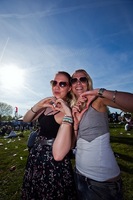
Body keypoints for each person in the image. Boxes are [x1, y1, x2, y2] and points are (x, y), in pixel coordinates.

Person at [70, 69, 133, 200]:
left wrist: (100, 91)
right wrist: (75, 126)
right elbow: (72, 145)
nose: (78, 83)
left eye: (83, 79)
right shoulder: (74, 109)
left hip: (100, 183)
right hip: (79, 174)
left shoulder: (98, 100)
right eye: (74, 80)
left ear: (88, 82)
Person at [21, 71, 77, 200]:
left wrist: (68, 115)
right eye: (54, 83)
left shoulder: (69, 111)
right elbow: (26, 120)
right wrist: (39, 105)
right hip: (36, 155)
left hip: (53, 160)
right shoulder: (47, 105)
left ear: (69, 88)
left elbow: (71, 144)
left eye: (62, 84)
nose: (57, 87)